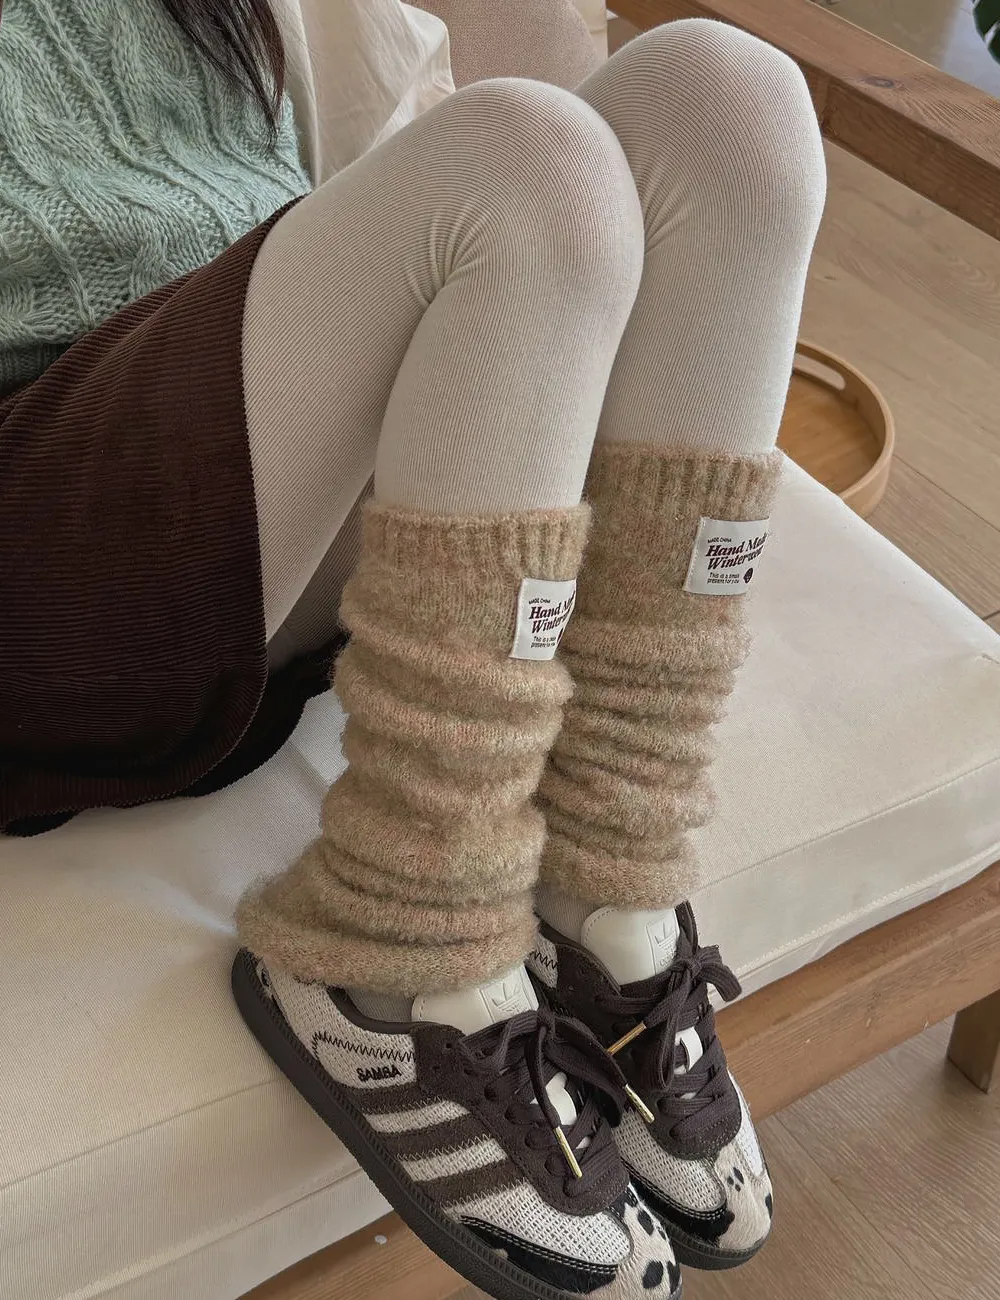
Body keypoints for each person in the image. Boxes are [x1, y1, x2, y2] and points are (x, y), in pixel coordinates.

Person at [0, 2, 826, 1296]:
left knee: (732, 104)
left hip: (261, 450)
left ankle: (604, 876)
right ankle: (396, 943)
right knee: (520, 164)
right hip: (42, 538)